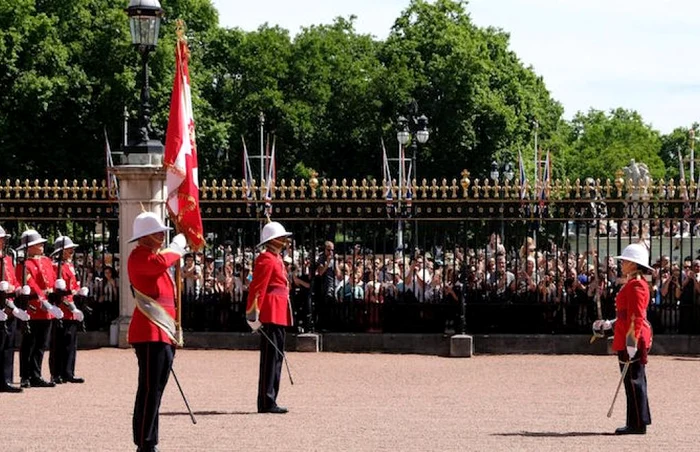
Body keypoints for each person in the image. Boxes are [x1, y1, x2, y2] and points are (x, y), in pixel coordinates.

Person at [127, 211, 186, 452]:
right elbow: (161, 263)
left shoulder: (153, 255)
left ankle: (150, 439)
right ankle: (145, 441)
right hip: (150, 331)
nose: (162, 235)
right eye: (158, 232)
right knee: (150, 390)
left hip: (162, 331)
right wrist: (176, 247)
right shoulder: (139, 256)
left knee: (156, 390)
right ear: (145, 236)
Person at [593, 243, 652, 435]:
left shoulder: (637, 285)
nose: (622, 264)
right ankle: (636, 421)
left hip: (631, 339)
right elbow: (626, 314)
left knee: (634, 382)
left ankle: (637, 424)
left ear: (634, 265)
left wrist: (631, 341)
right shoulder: (633, 283)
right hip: (626, 336)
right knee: (631, 382)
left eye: (626, 261)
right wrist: (610, 323)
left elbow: (636, 316)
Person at [246, 221, 293, 414]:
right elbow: (258, 287)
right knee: (270, 358)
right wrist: (253, 313)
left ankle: (271, 397)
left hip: (279, 311)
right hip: (270, 311)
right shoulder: (266, 258)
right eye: (282, 238)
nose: (285, 241)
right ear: (274, 240)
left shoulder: (276, 257)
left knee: (277, 357)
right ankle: (266, 400)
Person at [15, 229, 63, 388]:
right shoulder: (24, 265)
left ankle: (36, 374)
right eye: (37, 244)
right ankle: (25, 376)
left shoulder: (47, 261)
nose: (41, 245)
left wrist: (57, 289)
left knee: (42, 344)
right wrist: (43, 300)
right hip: (34, 308)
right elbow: (31, 285)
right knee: (29, 344)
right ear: (29, 247)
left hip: (47, 309)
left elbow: (52, 280)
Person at [48, 235, 88, 385]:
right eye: (68, 249)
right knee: (58, 343)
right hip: (61, 308)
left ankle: (68, 372)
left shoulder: (70, 266)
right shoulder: (54, 266)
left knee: (71, 343)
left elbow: (73, 286)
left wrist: (80, 291)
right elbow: (55, 289)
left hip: (72, 309)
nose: (71, 251)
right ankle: (56, 373)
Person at [0, 226, 28, 393]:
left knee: (8, 344)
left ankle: (6, 378)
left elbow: (14, 279)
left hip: (9, 306)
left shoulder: (7, 259)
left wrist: (17, 288)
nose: (2, 241)